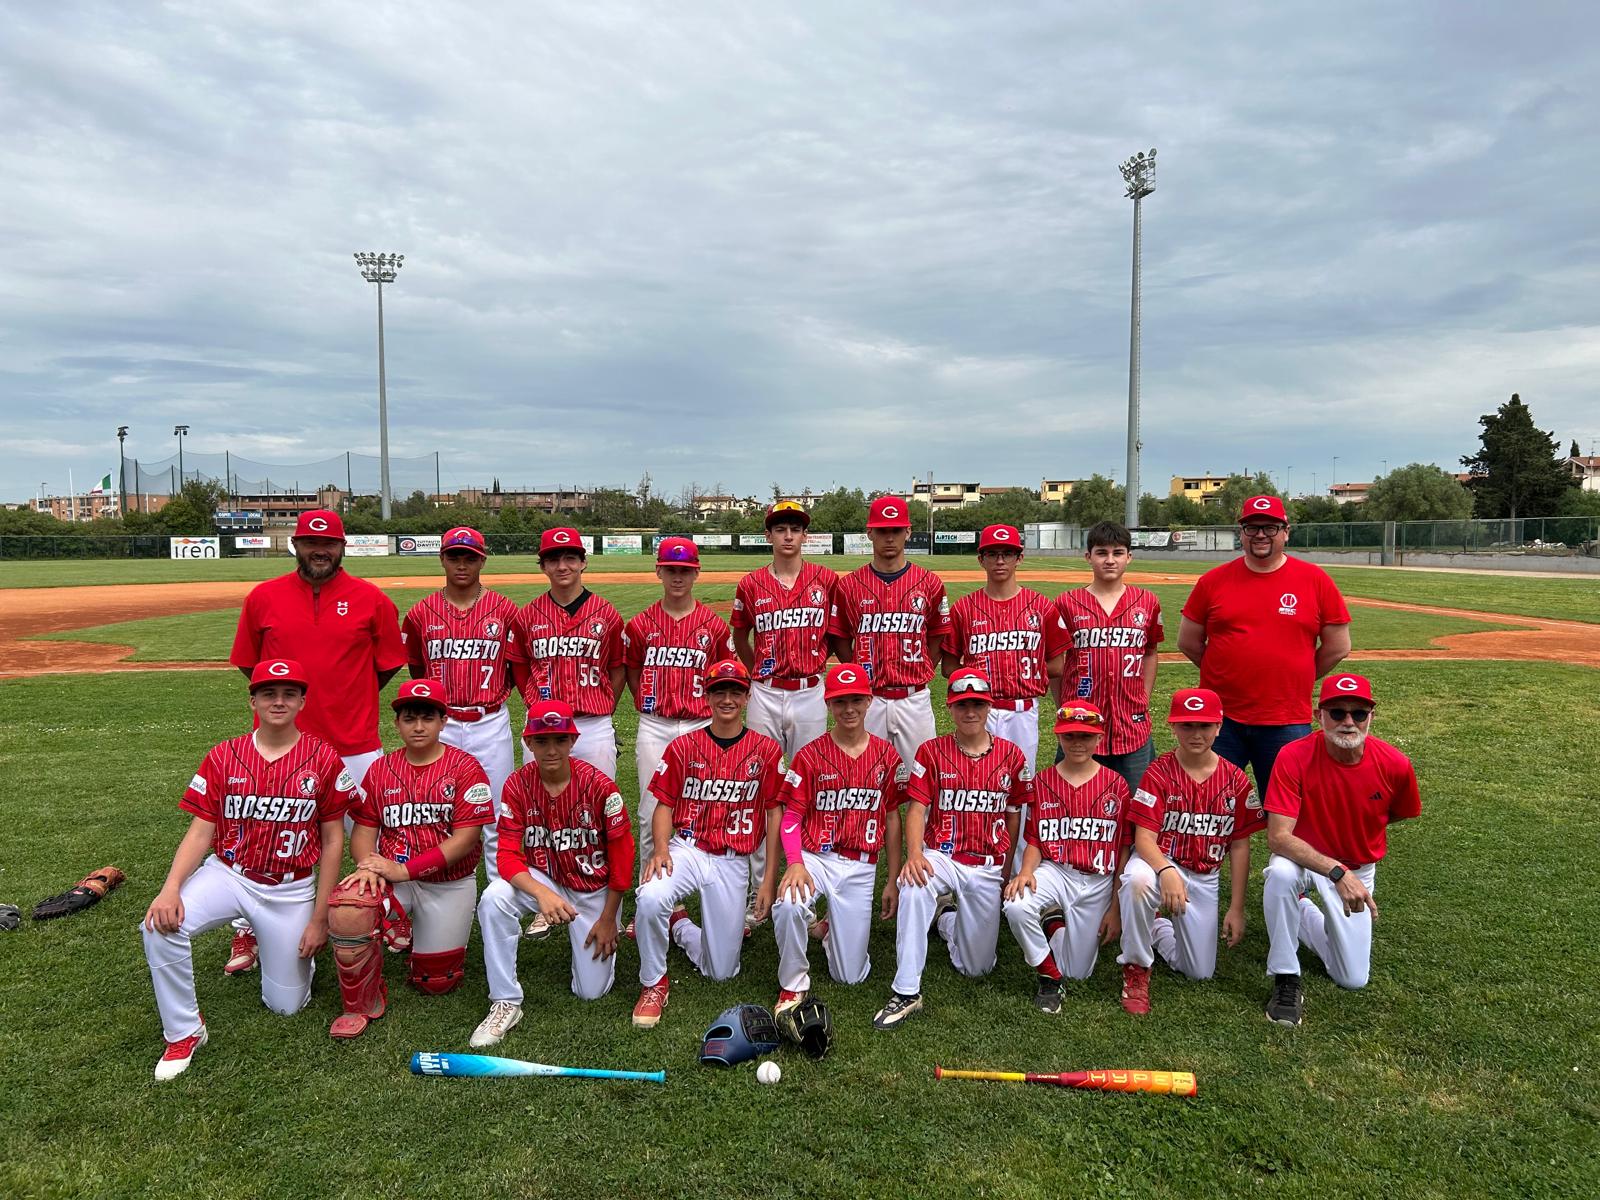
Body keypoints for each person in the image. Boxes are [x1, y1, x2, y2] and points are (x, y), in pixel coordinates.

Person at [141, 660, 355, 1079]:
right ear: (252, 700)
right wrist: (170, 888)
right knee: (158, 927)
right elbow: (200, 831)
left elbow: (333, 841)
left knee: (286, 1006)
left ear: (302, 702)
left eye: (289, 694)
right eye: (269, 693)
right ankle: (184, 1032)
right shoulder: (224, 755)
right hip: (229, 873)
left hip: (291, 888)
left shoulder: (324, 758)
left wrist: (319, 919)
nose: (279, 701)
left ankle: (279, 949)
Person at [226, 508, 406, 974]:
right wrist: (286, 705)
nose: (319, 550)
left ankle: (383, 910)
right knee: (264, 835)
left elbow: (388, 663)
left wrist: (350, 694)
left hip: (355, 743)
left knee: (373, 834)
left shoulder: (372, 599)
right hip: (281, 747)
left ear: (342, 547)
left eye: (328, 543)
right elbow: (251, 666)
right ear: (296, 545)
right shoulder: (263, 597)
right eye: (310, 542)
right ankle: (249, 927)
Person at [325, 679, 495, 1038]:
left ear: (443, 721)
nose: (418, 726)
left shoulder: (466, 768)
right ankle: (361, 1002)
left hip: (448, 883)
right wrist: (368, 866)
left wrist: (404, 869)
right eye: (409, 718)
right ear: (397, 723)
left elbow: (465, 840)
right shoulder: (381, 769)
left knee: (436, 982)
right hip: (392, 879)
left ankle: (412, 931)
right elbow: (364, 831)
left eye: (427, 718)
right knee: (350, 907)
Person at [631, 659, 786, 1029]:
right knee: (650, 897)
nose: (727, 699)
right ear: (707, 696)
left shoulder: (767, 751)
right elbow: (664, 804)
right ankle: (654, 982)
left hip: (733, 859)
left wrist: (767, 880)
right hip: (688, 848)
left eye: (735, 692)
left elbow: (774, 813)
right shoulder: (683, 746)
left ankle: (681, 925)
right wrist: (662, 849)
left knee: (721, 972)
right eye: (719, 691)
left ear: (747, 697)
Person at [873, 668, 1030, 1030]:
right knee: (914, 884)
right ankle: (906, 990)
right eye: (962, 705)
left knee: (977, 967)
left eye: (977, 704)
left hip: (986, 863)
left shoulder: (1012, 756)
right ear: (950, 707)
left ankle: (945, 919)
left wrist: (1006, 868)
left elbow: (1013, 815)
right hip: (942, 856)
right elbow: (917, 808)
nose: (970, 711)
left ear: (989, 706)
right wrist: (914, 855)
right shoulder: (931, 751)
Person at [1261, 674, 1420, 1027]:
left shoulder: (1395, 764)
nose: (1348, 721)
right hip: (1305, 859)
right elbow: (1278, 838)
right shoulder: (1293, 755)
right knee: (1281, 874)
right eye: (1337, 712)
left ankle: (1300, 908)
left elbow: (1396, 813)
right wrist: (1336, 871)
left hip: (1357, 867)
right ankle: (1286, 977)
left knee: (1352, 978)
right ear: (1319, 715)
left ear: (1371, 717)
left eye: (1358, 713)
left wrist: (1348, 868)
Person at [471, 701, 633, 1048]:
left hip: (592, 888)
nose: (551, 749)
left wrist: (609, 919)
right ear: (529, 743)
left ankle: (601, 929)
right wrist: (542, 893)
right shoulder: (517, 784)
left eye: (560, 739)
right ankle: (505, 1001)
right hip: (545, 878)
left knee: (591, 992)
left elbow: (622, 861)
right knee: (494, 898)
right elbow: (506, 856)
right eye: (542, 741)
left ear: (573, 741)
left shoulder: (600, 786)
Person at [1177, 495, 1351, 795]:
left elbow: (1338, 646)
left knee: (1284, 807)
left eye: (1270, 527)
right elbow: (1188, 642)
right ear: (1241, 533)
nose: (1260, 534)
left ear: (1286, 532)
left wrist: (1298, 675)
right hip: (1221, 719)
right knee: (1210, 804)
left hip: (1286, 719)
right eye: (1252, 527)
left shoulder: (1315, 580)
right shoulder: (1213, 581)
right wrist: (1225, 672)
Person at [1117, 687, 1261, 1016]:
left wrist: (1236, 908)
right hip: (1159, 861)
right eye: (1187, 725)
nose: (1196, 734)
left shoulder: (1236, 780)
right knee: (1137, 881)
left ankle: (1156, 927)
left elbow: (1240, 846)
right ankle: (1136, 967)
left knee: (1199, 972)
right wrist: (1166, 871)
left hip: (1204, 874)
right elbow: (1143, 838)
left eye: (1204, 725)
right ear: (1173, 727)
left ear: (1219, 727)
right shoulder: (1158, 772)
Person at [771, 663, 904, 1016]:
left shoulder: (887, 756)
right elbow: (791, 818)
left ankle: (830, 928)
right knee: (789, 904)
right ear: (828, 703)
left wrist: (892, 879)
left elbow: (893, 818)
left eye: (856, 700)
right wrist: (795, 863)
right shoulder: (809, 755)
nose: (849, 708)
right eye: (840, 701)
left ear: (869, 701)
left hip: (861, 864)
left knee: (850, 977)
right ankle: (793, 982)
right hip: (816, 857)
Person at [732, 500, 836, 926]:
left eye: (795, 527)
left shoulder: (827, 580)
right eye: (780, 528)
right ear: (769, 535)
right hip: (766, 692)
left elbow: (837, 635)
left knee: (811, 788)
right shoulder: (751, 583)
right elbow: (740, 635)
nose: (788, 535)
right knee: (762, 789)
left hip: (810, 692)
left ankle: (803, 888)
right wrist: (757, 671)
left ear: (804, 535)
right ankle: (762, 888)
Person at [401, 526, 522, 883]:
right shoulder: (420, 613)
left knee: (497, 813)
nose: (462, 564)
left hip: (490, 721)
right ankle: (441, 888)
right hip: (442, 724)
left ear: (482, 561)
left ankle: (501, 893)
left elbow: (516, 667)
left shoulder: (506, 610)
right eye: (454, 556)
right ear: (442, 559)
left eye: (470, 557)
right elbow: (418, 669)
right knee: (436, 810)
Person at [1001, 701, 1130, 1014]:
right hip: (1056, 871)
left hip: (1098, 880)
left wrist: (1115, 909)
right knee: (1016, 905)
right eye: (1070, 735)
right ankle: (1049, 976)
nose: (1077, 742)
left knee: (1078, 971)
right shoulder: (1042, 781)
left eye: (1086, 735)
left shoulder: (1117, 785)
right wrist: (1025, 871)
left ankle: (1053, 924)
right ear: (1058, 736)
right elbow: (1034, 838)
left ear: (1099, 737)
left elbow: (1123, 849)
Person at [623, 536, 735, 866]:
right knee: (650, 810)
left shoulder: (714, 626)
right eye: (670, 569)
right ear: (658, 571)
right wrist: (648, 701)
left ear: (696, 573)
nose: (677, 577)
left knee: (706, 808)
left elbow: (725, 676)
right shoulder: (640, 625)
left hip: (701, 724)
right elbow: (633, 671)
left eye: (684, 570)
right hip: (655, 725)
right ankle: (652, 889)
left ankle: (709, 880)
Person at [827, 494, 951, 776]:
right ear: (870, 533)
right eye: (882, 530)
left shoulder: (930, 583)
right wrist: (857, 670)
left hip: (914, 698)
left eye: (896, 530)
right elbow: (840, 637)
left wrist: (923, 666)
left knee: (922, 778)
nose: (890, 537)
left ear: (908, 532)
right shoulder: (849, 586)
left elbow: (938, 634)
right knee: (866, 778)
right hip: (869, 699)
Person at [1045, 520, 1162, 793]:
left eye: (1117, 553)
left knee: (1137, 804)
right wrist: (1063, 704)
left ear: (1129, 557)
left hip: (1131, 726)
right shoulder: (1066, 603)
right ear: (1088, 557)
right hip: (1079, 722)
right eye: (1102, 553)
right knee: (1074, 801)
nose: (1110, 560)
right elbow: (1057, 663)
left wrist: (1143, 697)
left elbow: (1150, 653)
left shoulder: (1147, 602)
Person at [513, 526, 625, 779]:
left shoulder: (606, 613)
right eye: (553, 560)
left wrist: (605, 706)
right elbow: (519, 666)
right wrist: (534, 700)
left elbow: (617, 667)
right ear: (543, 567)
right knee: (540, 798)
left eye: (570, 558)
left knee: (598, 796)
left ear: (583, 563)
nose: (562, 566)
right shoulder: (528, 615)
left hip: (593, 725)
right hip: (542, 724)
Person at [941, 524, 1053, 769]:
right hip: (980, 709)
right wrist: (975, 681)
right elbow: (949, 666)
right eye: (992, 554)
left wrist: (1025, 673)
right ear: (981, 560)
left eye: (1007, 554)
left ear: (1019, 558)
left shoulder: (1042, 606)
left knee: (1022, 779)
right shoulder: (963, 609)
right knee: (978, 777)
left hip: (1023, 711)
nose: (1000, 561)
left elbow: (1057, 664)